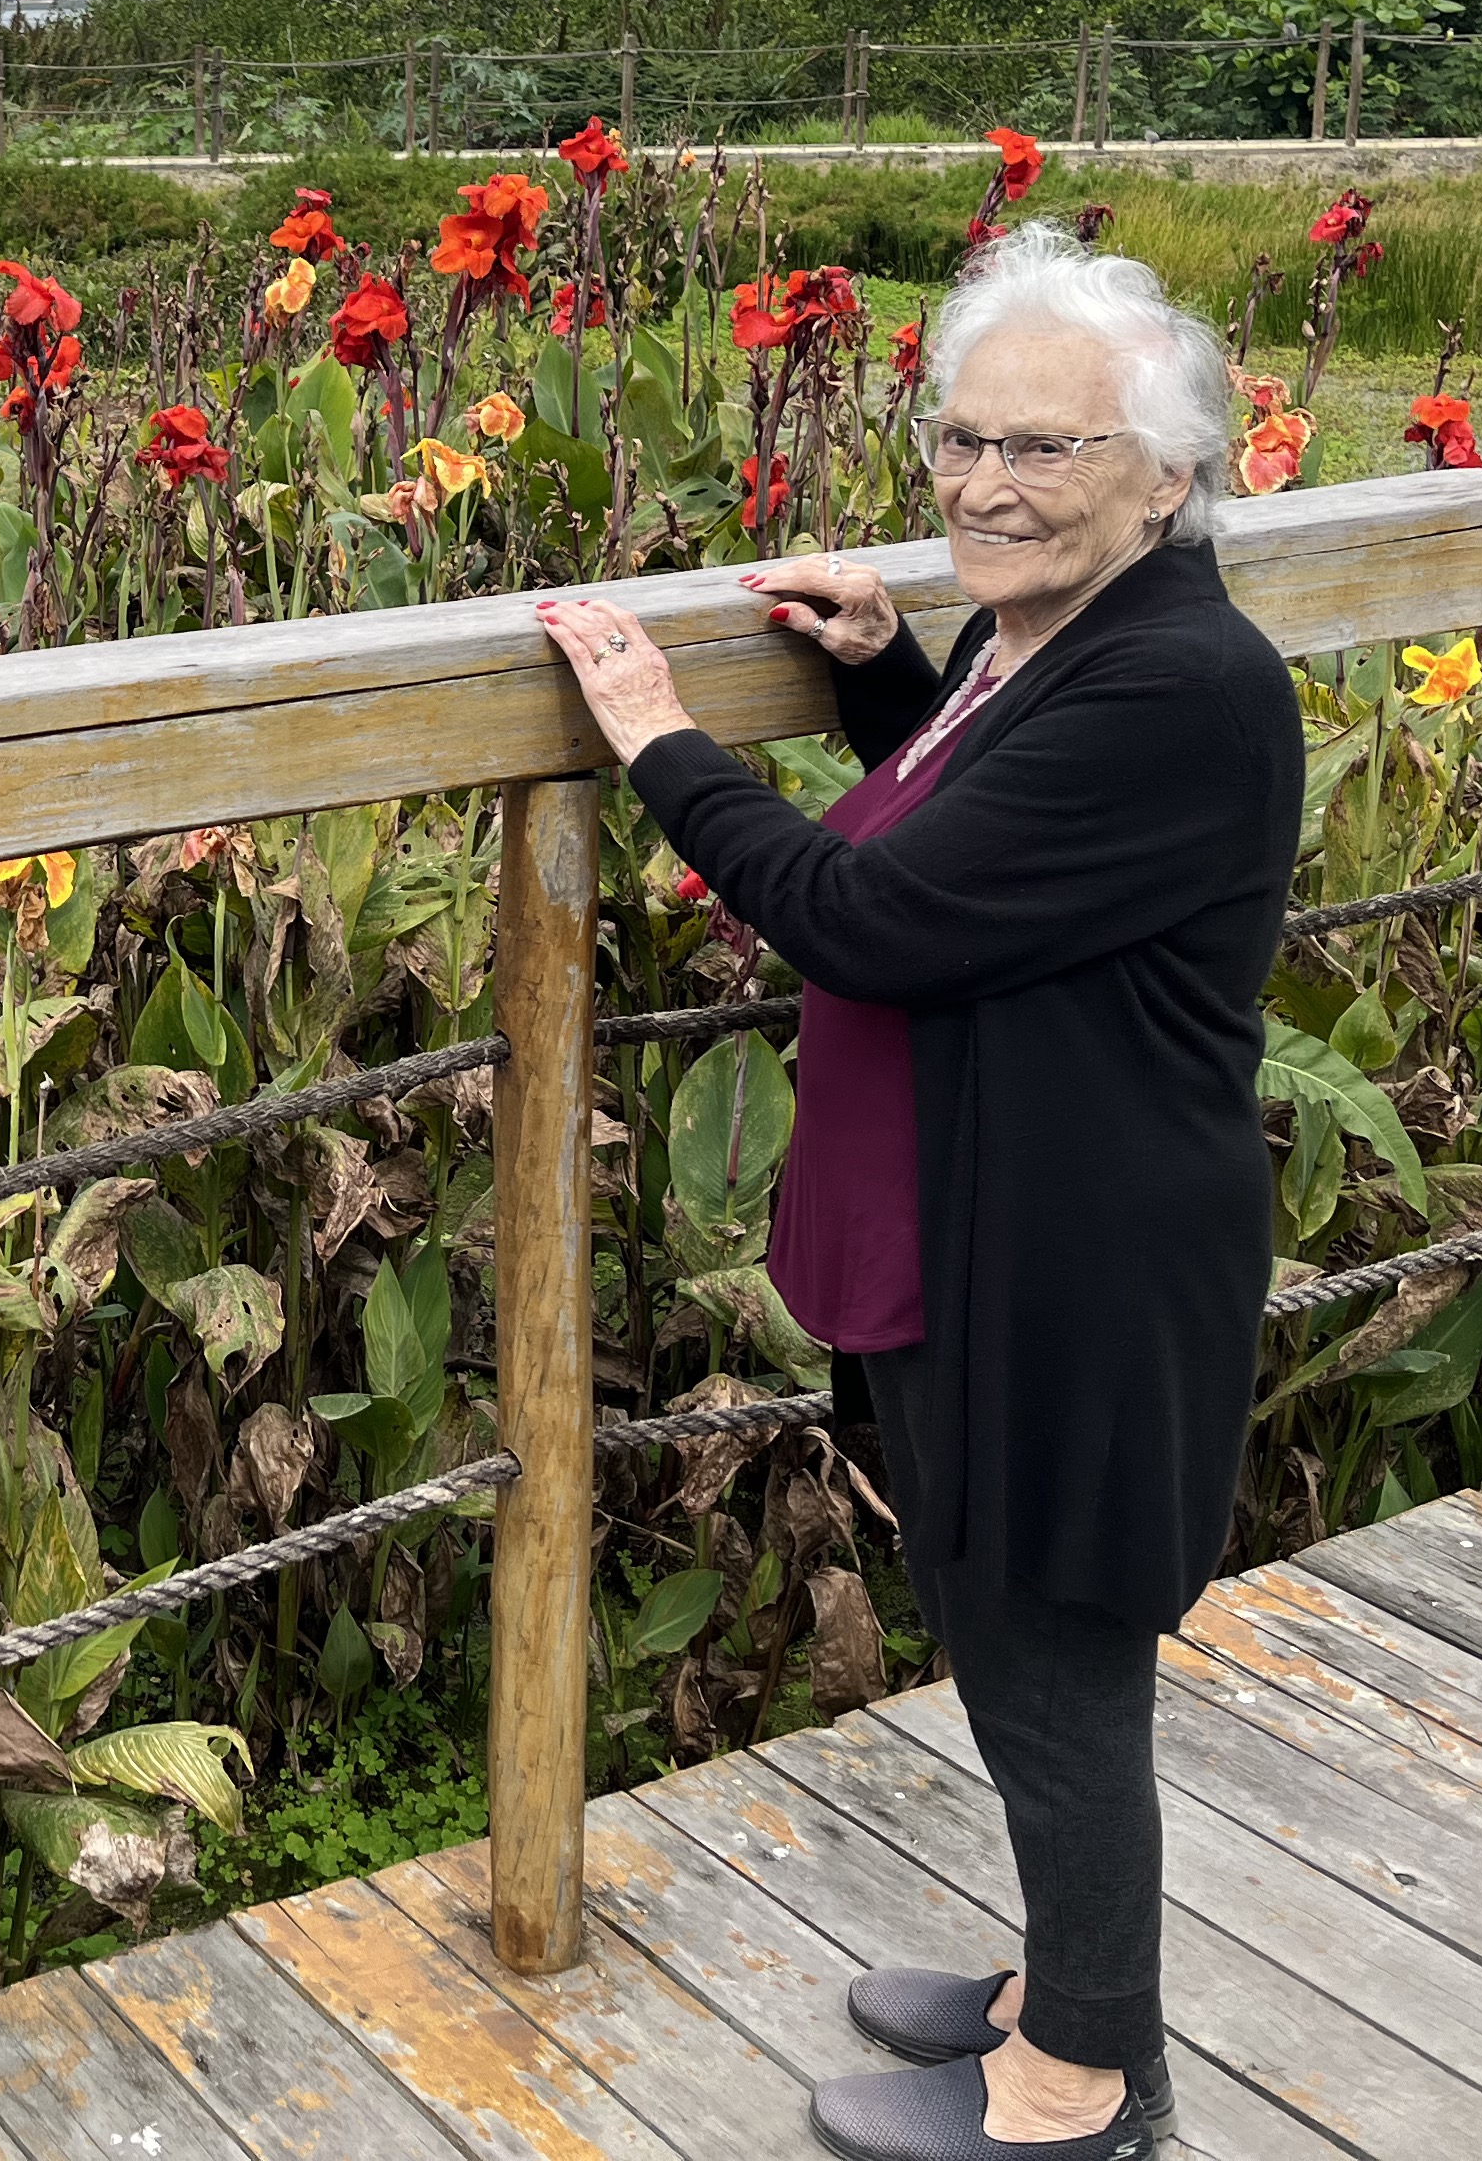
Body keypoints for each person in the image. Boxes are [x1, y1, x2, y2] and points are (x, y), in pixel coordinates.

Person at [534, 224, 1302, 2161]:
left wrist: (662, 748)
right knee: (1009, 1630)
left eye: (1040, 449)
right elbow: (982, 837)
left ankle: (1085, 2086)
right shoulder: (1060, 641)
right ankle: (1069, 1978)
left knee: (1053, 1660)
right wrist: (888, 678)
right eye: (960, 439)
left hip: (1078, 1272)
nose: (980, 483)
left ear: (1170, 473)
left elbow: (875, 909)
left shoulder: (1182, 687)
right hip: (995, 1237)